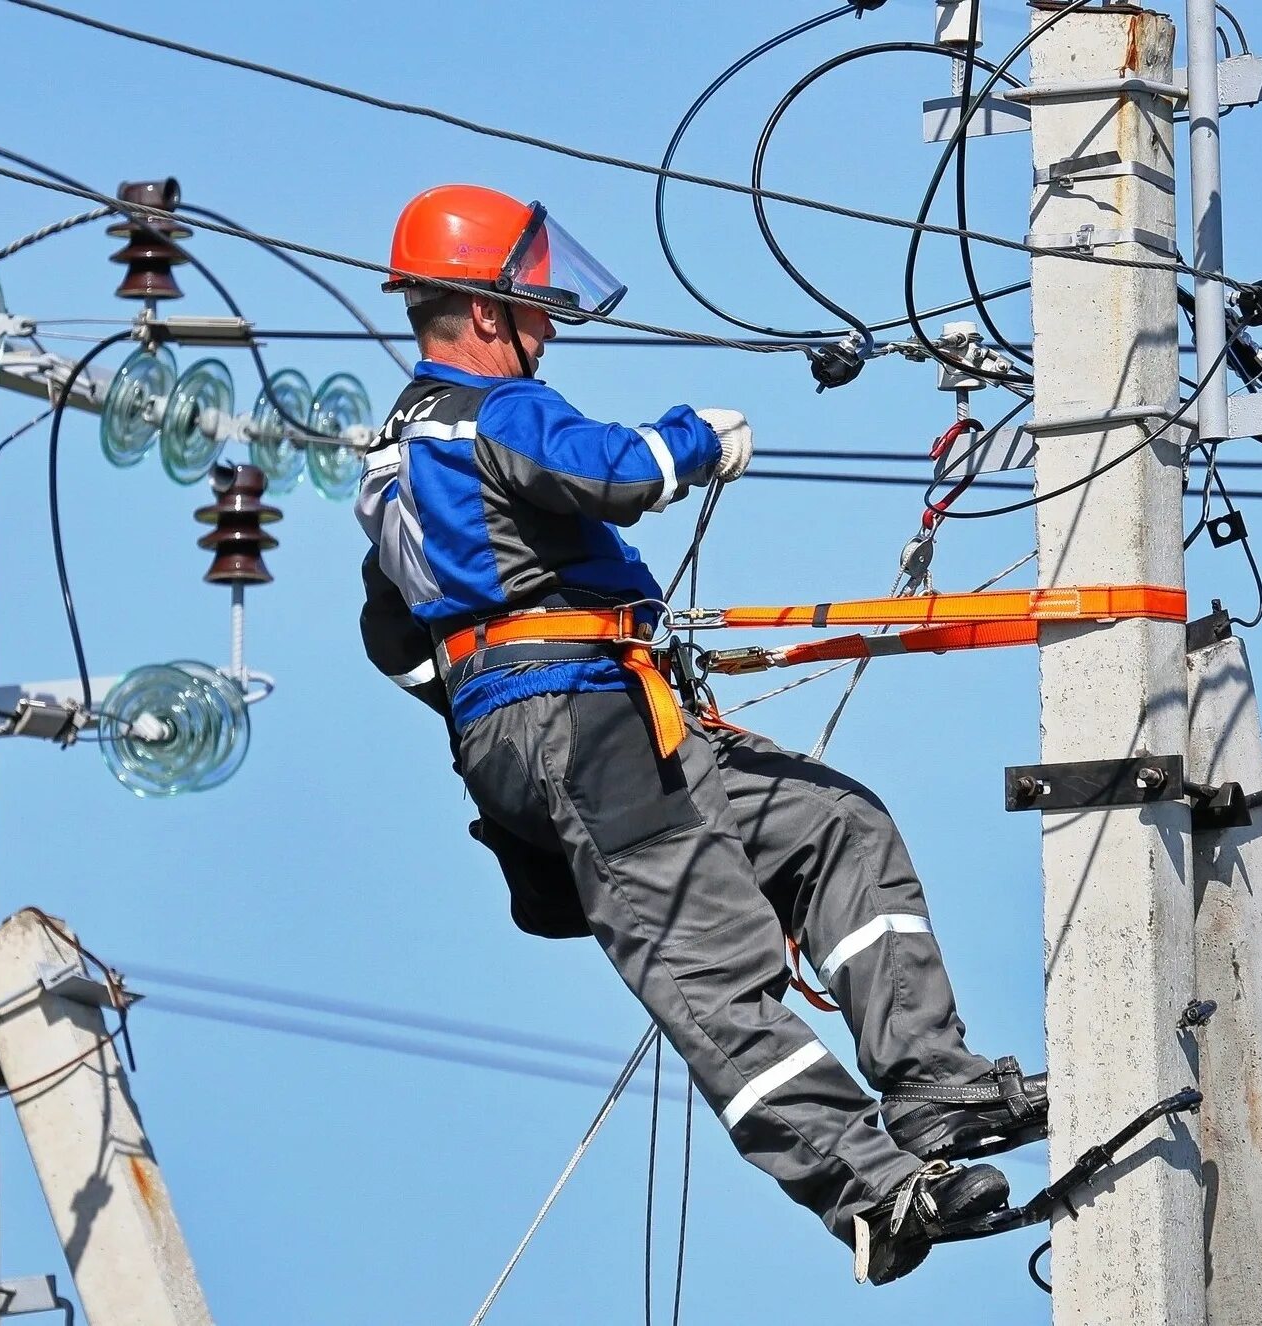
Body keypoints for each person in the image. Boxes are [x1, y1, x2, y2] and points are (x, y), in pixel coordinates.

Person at [355, 184, 1046, 1284]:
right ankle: (871, 1193)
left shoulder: (397, 458)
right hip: (585, 727)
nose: (544, 329)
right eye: (533, 307)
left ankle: (933, 1084)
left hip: (589, 721)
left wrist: (498, 704)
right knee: (715, 965)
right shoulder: (492, 413)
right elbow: (610, 471)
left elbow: (389, 639)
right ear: (485, 312)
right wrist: (693, 441)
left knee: (833, 827)